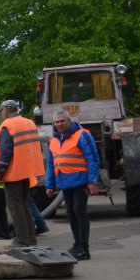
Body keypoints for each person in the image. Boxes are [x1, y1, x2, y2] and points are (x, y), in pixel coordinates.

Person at [45, 109, 101, 260]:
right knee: (71, 213)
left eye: (63, 121)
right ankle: (77, 245)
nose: (60, 124)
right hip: (65, 182)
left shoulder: (82, 135)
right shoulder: (54, 140)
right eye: (57, 122)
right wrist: (50, 185)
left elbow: (93, 158)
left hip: (81, 181)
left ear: (69, 121)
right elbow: (51, 164)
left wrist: (92, 181)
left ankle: (84, 247)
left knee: (79, 212)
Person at [0, 99, 46, 248]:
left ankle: (22, 241)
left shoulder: (7, 125)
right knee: (25, 205)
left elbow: (5, 151)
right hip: (29, 171)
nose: (1, 114)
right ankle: (30, 239)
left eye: (2, 111)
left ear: (7, 109)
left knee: (15, 207)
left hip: (14, 172)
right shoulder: (29, 122)